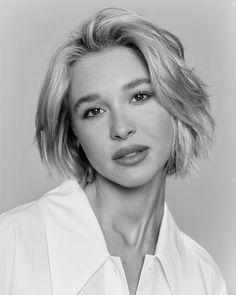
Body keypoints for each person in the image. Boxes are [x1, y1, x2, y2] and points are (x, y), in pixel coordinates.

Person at [0, 7, 228, 295]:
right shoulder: (10, 244)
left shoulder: (203, 278)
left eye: (140, 96)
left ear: (176, 103)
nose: (121, 128)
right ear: (74, 133)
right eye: (94, 111)